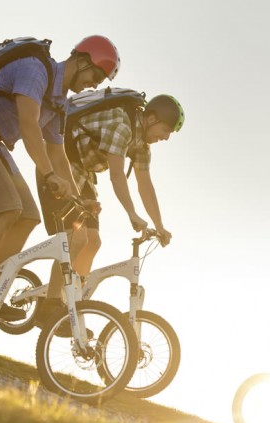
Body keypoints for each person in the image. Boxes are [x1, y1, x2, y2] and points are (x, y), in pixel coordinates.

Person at [0, 35, 120, 320]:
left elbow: (58, 154)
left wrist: (80, 199)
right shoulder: (35, 69)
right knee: (8, 208)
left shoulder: (60, 103)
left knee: (29, 215)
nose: (94, 84)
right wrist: (47, 174)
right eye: (95, 75)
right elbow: (28, 123)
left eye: (100, 80)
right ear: (81, 60)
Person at [35, 93, 185, 324]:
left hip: (84, 175)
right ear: (152, 119)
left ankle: (72, 303)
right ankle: (50, 306)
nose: (165, 138)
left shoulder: (141, 145)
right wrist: (132, 214)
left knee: (93, 242)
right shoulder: (122, 125)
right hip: (61, 166)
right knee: (76, 238)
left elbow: (145, 183)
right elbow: (117, 175)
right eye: (166, 130)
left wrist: (159, 225)